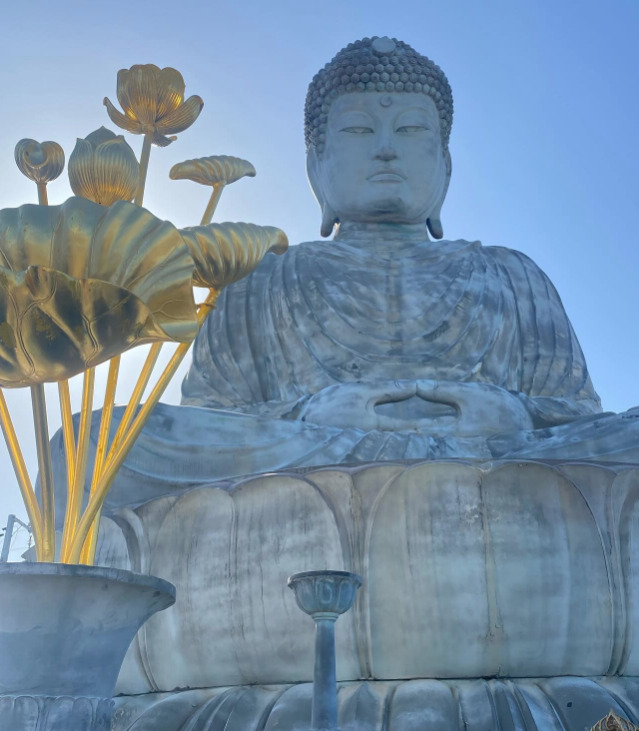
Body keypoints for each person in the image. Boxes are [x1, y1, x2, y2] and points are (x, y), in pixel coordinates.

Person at [52, 36, 639, 514]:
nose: (386, 149)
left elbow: (578, 417)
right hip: (313, 453)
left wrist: (512, 413)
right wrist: (312, 415)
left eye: (411, 132)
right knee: (86, 447)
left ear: (445, 165)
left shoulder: (510, 274)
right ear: (315, 167)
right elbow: (216, 418)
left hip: (500, 454)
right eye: (359, 131)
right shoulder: (259, 278)